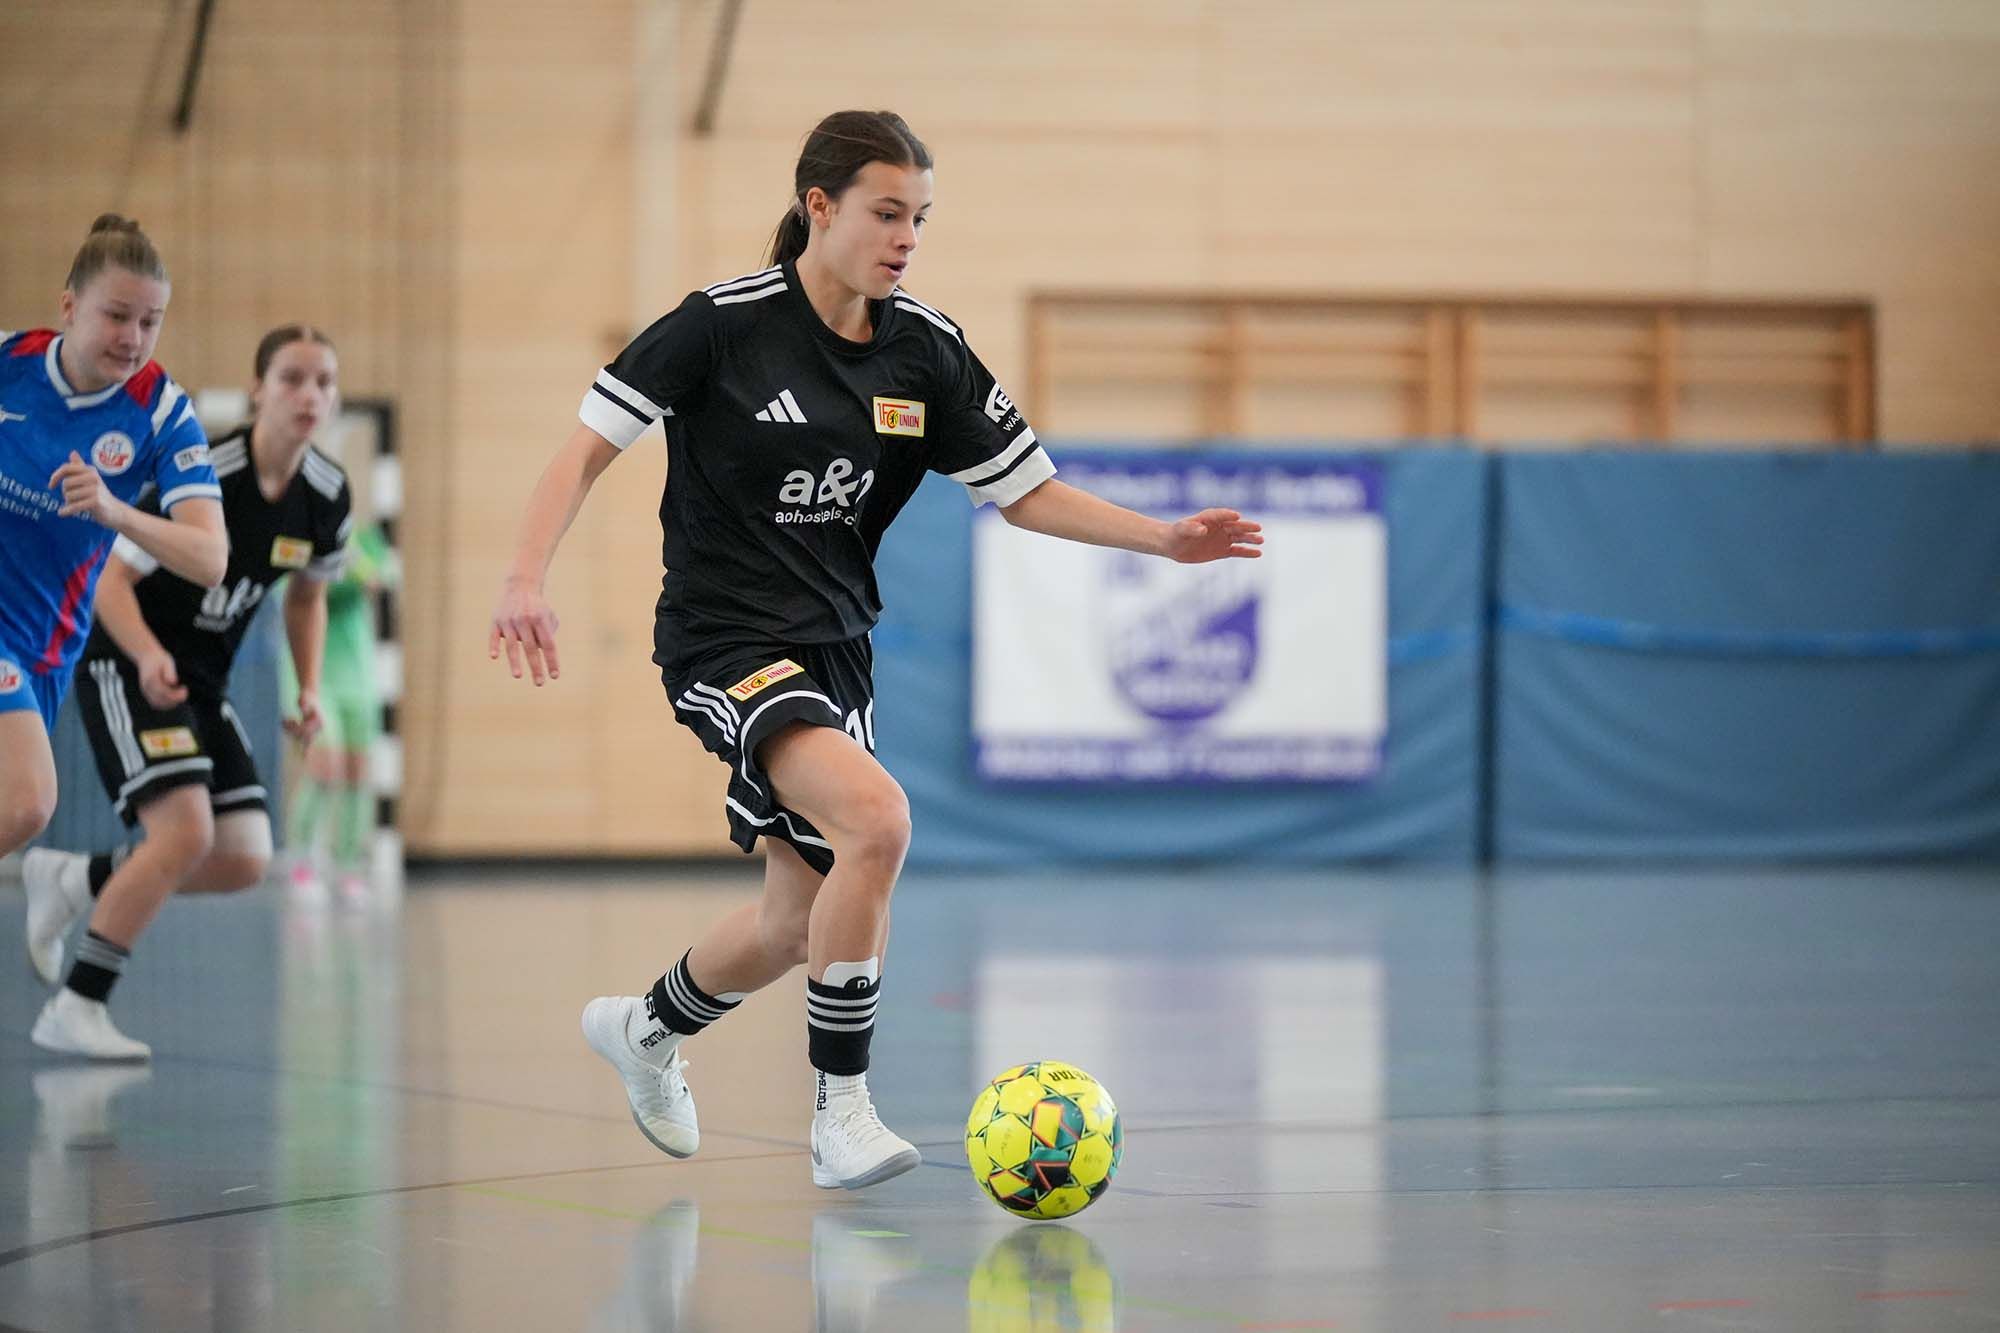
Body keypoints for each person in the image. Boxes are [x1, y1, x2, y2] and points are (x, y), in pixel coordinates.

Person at [489, 110, 1260, 1189]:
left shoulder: (924, 350)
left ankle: (646, 1029)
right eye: (887, 213)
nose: (906, 238)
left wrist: (1164, 539)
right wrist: (524, 578)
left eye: (921, 219)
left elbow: (1025, 492)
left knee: (793, 922)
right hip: (722, 638)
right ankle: (840, 1111)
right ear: (820, 207)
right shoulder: (720, 326)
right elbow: (582, 451)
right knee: (879, 818)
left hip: (837, 650)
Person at [22, 325, 351, 1059]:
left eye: (324, 382)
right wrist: (144, 655)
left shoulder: (328, 495)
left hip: (203, 679)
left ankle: (74, 877)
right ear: (258, 389)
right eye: (292, 378)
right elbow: (109, 581)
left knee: (243, 856)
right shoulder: (208, 476)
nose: (310, 395)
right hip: (124, 657)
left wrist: (309, 687)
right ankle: (77, 1004)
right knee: (184, 832)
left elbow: (307, 597)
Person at [1, 215, 226, 861]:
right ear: (70, 306)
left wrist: (114, 510)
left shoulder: (161, 413)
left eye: (150, 322)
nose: (133, 338)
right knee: (28, 799)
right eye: (117, 316)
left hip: (46, 647)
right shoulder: (9, 363)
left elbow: (210, 559)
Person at [280, 517, 393, 904]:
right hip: (311, 673)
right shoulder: (292, 540)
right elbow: (297, 591)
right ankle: (302, 861)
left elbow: (376, 579)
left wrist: (349, 558)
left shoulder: (364, 540)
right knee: (324, 764)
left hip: (357, 675)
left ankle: (349, 866)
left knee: (358, 770)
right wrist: (337, 571)